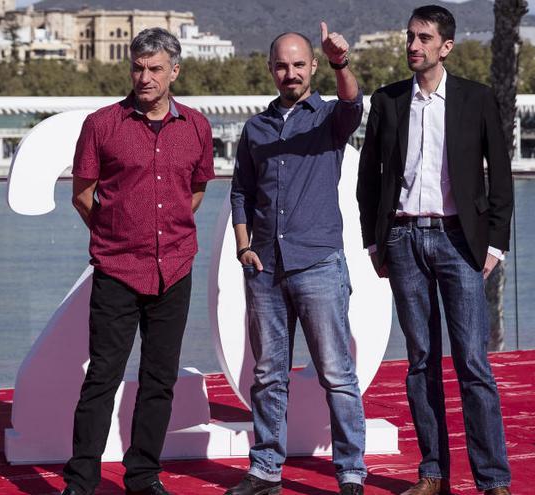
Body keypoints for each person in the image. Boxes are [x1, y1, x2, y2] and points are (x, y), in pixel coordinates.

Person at [356, 5, 514, 495]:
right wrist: (373, 242)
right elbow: (369, 180)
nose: (413, 45)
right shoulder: (386, 101)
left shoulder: (477, 99)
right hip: (402, 240)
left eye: (423, 38)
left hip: (460, 243)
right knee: (421, 360)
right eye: (410, 37)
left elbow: (501, 179)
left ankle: (493, 481)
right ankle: (432, 475)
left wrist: (495, 247)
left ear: (446, 46)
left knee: (472, 363)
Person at [61, 27, 215, 495]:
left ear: (174, 71)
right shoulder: (102, 124)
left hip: (175, 269)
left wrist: (160, 235)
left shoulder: (197, 127)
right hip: (116, 270)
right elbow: (82, 195)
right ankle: (81, 481)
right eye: (137, 67)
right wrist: (117, 235)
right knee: (101, 379)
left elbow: (197, 190)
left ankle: (143, 475)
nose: (144, 76)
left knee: (159, 379)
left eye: (154, 68)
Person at [226, 23, 367, 495]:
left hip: (319, 265)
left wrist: (340, 61)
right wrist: (245, 247)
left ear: (311, 68)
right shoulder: (255, 128)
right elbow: (241, 192)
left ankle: (350, 471)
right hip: (264, 269)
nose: (290, 73)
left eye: (299, 65)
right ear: (270, 69)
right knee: (267, 376)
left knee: (337, 375)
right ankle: (265, 469)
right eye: (282, 65)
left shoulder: (329, 119)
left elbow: (353, 105)